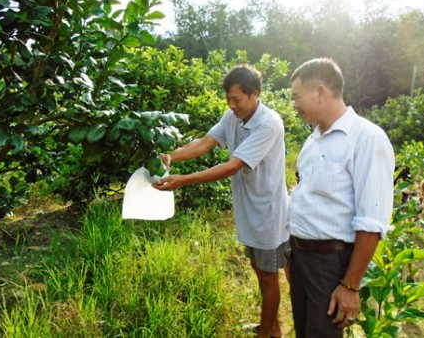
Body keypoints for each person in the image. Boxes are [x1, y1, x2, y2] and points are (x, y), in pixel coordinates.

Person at [154, 64, 289, 338]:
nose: (231, 105)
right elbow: (206, 142)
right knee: (256, 268)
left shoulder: (268, 123)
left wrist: (183, 180)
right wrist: (172, 156)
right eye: (228, 99)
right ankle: (272, 328)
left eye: (236, 99)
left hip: (269, 213)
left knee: (268, 276)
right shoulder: (233, 117)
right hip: (249, 209)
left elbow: (233, 165)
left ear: (255, 95)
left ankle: (267, 334)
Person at [286, 58, 395, 338]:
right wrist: (292, 256)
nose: (294, 105)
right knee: (304, 331)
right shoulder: (314, 139)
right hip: (302, 259)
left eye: (297, 96)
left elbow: (371, 220)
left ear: (320, 91)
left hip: (331, 264)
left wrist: (350, 286)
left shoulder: (367, 138)